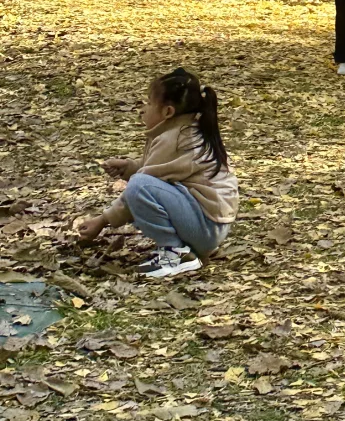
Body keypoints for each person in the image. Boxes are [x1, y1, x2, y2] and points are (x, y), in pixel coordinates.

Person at [75, 67, 238, 280]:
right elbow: (162, 171)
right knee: (139, 183)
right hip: (211, 225)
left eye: (149, 103)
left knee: (138, 187)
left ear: (168, 112)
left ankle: (176, 254)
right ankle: (182, 250)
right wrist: (130, 167)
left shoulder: (176, 138)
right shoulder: (186, 129)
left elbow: (144, 184)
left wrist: (102, 220)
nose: (144, 108)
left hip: (206, 228)